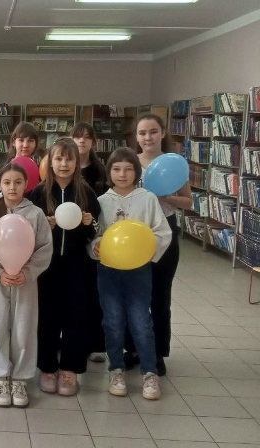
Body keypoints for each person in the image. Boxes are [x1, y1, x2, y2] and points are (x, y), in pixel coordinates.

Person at [89, 147, 172, 400]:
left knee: (141, 320)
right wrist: (96, 246)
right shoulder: (102, 201)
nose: (122, 174)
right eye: (116, 169)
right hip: (108, 270)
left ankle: (149, 372)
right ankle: (116, 369)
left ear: (136, 171)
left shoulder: (147, 199)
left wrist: (146, 251)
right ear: (109, 172)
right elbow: (94, 235)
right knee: (112, 321)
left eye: (128, 169)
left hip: (138, 271)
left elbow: (162, 232)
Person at [0, 163, 53, 408]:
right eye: (7, 182)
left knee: (23, 328)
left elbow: (44, 249)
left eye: (18, 182)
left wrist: (27, 272)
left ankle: (20, 378)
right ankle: (0, 376)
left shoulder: (35, 214)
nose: (12, 187)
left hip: (25, 282)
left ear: (26, 184)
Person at [28, 137, 101, 396]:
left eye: (69, 159)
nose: (63, 164)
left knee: (75, 317)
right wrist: (43, 226)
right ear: (50, 162)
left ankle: (70, 369)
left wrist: (90, 223)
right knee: (46, 316)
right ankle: (48, 367)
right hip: (46, 267)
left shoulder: (86, 192)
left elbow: (97, 232)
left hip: (77, 266)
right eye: (58, 158)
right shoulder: (39, 193)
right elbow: (28, 231)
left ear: (76, 163)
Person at [124, 114, 192, 376]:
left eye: (153, 132)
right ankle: (132, 349)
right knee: (133, 295)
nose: (148, 137)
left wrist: (166, 197)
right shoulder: (130, 163)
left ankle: (157, 352)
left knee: (160, 296)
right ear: (136, 136)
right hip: (134, 233)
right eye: (142, 133)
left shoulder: (174, 164)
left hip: (164, 231)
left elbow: (188, 201)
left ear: (162, 133)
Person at [71, 122, 108, 363]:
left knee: (92, 293)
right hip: (68, 240)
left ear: (93, 141)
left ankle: (96, 343)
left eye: (87, 137)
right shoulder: (65, 167)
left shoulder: (100, 171)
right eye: (78, 137)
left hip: (93, 237)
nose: (82, 141)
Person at [0, 121, 41, 206]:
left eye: (30, 141)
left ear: (36, 143)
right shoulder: (1, 172)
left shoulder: (41, 172)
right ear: (14, 142)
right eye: (21, 140)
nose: (25, 145)